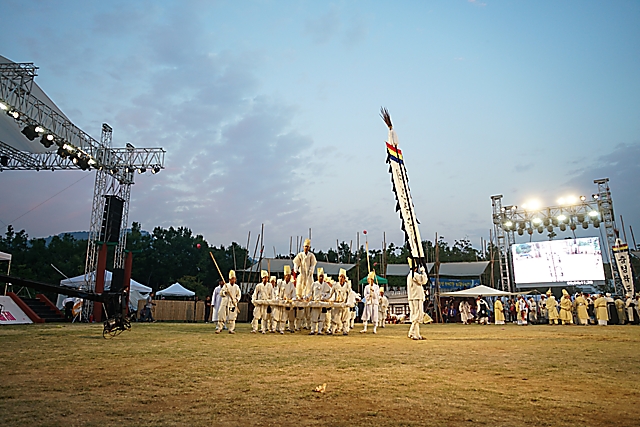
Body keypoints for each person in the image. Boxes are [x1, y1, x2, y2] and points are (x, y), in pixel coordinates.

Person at [293, 238, 317, 330]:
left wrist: (311, 271)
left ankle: (308, 324)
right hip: (302, 276)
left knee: (308, 305)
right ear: (303, 247)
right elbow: (296, 262)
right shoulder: (300, 255)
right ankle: (298, 325)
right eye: (305, 246)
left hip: (309, 277)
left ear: (309, 247)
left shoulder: (311, 255)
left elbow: (313, 264)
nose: (306, 248)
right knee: (300, 303)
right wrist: (296, 268)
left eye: (308, 247)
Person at [406, 258, 428, 340]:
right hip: (416, 297)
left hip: (414, 297)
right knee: (417, 315)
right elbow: (423, 280)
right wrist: (423, 272)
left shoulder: (410, 275)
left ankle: (415, 333)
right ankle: (413, 334)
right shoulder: (413, 275)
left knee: (416, 315)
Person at [310, 268, 330, 335]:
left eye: (322, 276)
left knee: (321, 318)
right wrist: (307, 297)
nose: (321, 278)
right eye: (320, 276)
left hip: (323, 303)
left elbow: (330, 293)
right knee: (314, 317)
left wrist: (325, 297)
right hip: (316, 302)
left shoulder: (326, 285)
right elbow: (310, 293)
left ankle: (319, 331)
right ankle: (312, 330)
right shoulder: (314, 284)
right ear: (317, 277)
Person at [329, 268, 349, 335]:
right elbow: (330, 294)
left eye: (343, 277)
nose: (341, 278)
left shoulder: (347, 285)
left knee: (345, 318)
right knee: (334, 317)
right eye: (340, 276)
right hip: (337, 303)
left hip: (344, 303)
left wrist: (348, 302)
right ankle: (332, 330)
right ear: (338, 277)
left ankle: (345, 330)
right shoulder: (335, 285)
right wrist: (327, 299)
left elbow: (350, 294)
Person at [279, 265, 296, 333]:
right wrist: (281, 298)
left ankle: (291, 328)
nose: (288, 277)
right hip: (283, 302)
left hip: (290, 302)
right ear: (284, 276)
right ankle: (281, 329)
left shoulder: (292, 285)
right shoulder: (281, 284)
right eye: (286, 275)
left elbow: (294, 294)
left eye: (289, 275)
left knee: (291, 317)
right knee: (283, 317)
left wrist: (292, 299)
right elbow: (278, 293)